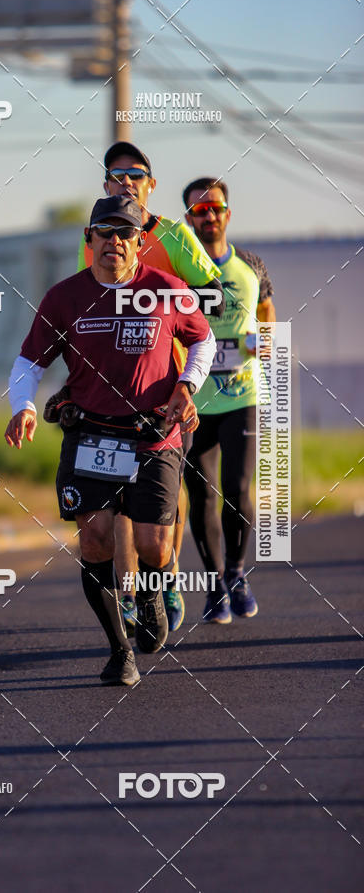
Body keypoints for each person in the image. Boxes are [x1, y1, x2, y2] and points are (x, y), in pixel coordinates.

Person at [5, 195, 215, 685]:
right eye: (104, 233)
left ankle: (152, 592)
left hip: (153, 434)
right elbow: (29, 362)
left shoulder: (168, 289)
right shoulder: (64, 297)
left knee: (154, 544)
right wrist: (24, 407)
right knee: (95, 539)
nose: (114, 243)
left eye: (125, 234)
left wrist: (187, 386)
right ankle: (120, 650)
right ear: (89, 240)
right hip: (91, 433)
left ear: (140, 242)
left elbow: (202, 338)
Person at [69, 141, 225, 635]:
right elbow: (87, 299)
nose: (126, 183)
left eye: (136, 175)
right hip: (112, 390)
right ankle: (129, 590)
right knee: (114, 499)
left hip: (171, 390)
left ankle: (166, 578)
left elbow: (214, 295)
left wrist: (161, 301)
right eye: (116, 175)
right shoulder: (96, 237)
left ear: (150, 185)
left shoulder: (175, 236)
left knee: (162, 499)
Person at [182, 177, 276, 623]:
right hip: (194, 403)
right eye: (199, 211)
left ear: (228, 213)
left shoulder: (251, 266)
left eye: (215, 207)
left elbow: (268, 318)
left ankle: (237, 574)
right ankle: (214, 583)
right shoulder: (181, 272)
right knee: (200, 497)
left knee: (238, 491)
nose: (209, 216)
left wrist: (262, 343)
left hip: (242, 396)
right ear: (189, 219)